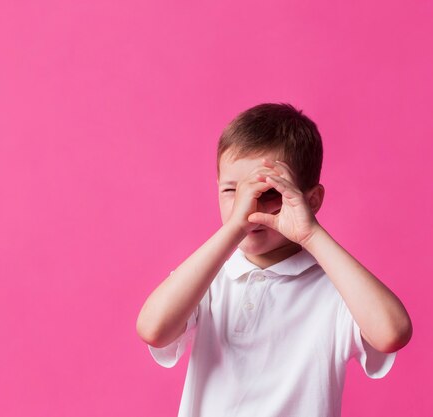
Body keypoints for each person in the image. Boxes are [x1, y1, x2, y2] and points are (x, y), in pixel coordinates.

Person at [136, 102, 413, 417]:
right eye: (232, 191)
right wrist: (234, 228)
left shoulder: (336, 289)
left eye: (268, 194)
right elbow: (153, 328)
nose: (248, 206)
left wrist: (311, 234)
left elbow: (392, 333)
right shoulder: (209, 278)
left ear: (311, 201)